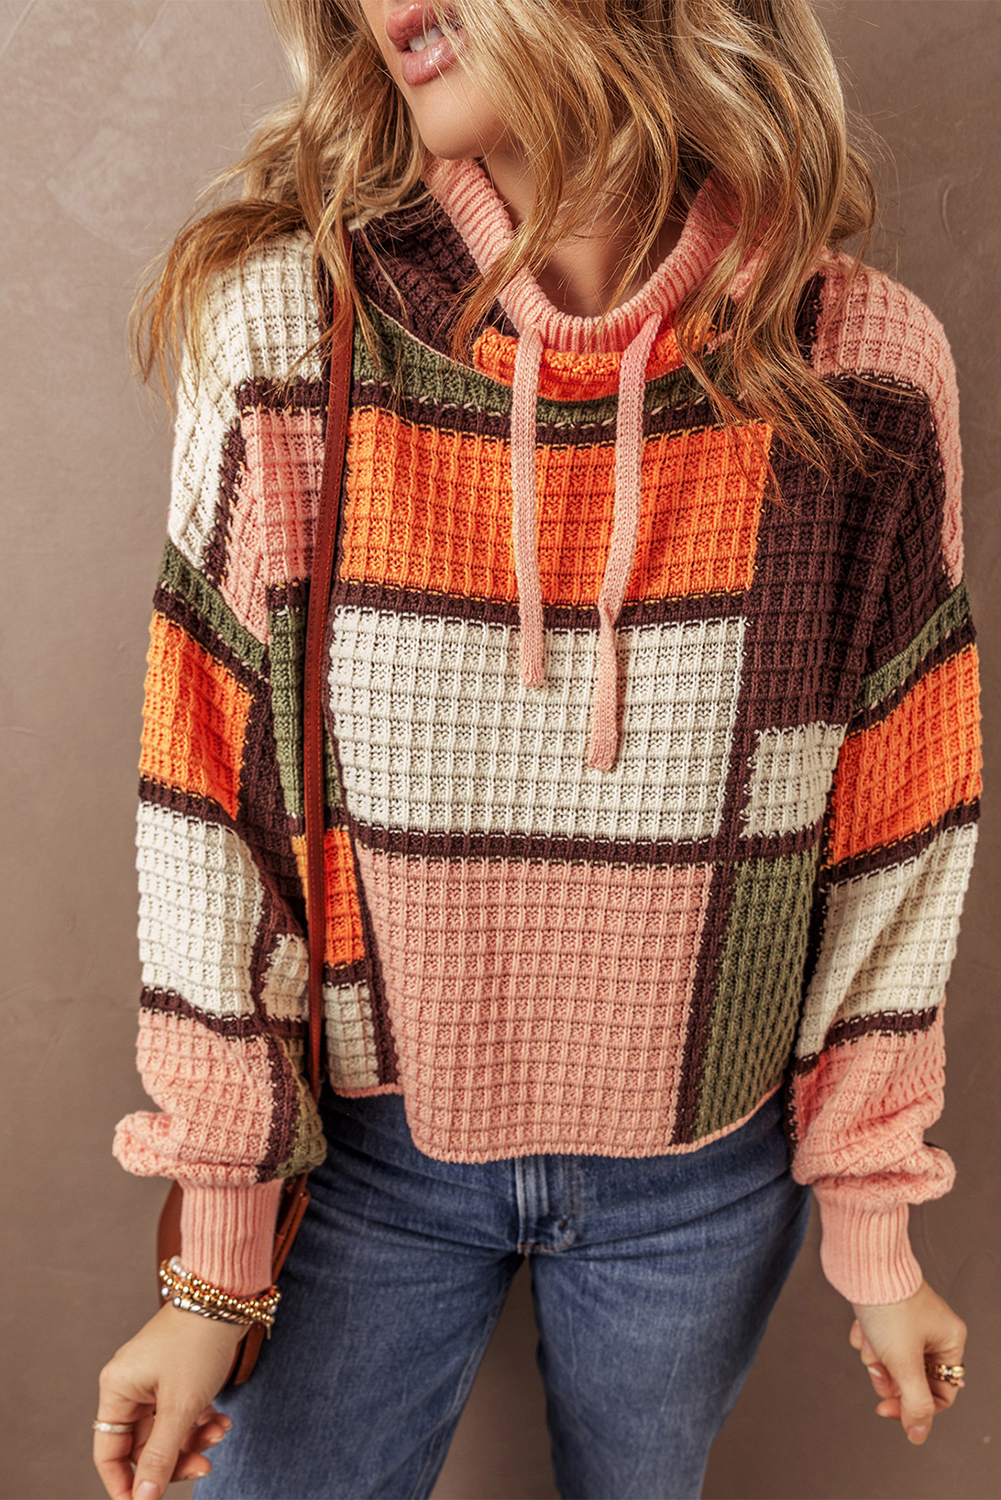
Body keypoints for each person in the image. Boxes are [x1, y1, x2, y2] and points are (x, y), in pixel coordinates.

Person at [93, 0, 980, 1496]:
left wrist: (873, 1216)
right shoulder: (289, 336)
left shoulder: (863, 368)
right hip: (363, 1162)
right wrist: (215, 1257)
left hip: (705, 1178)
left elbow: (903, 827)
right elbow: (212, 824)